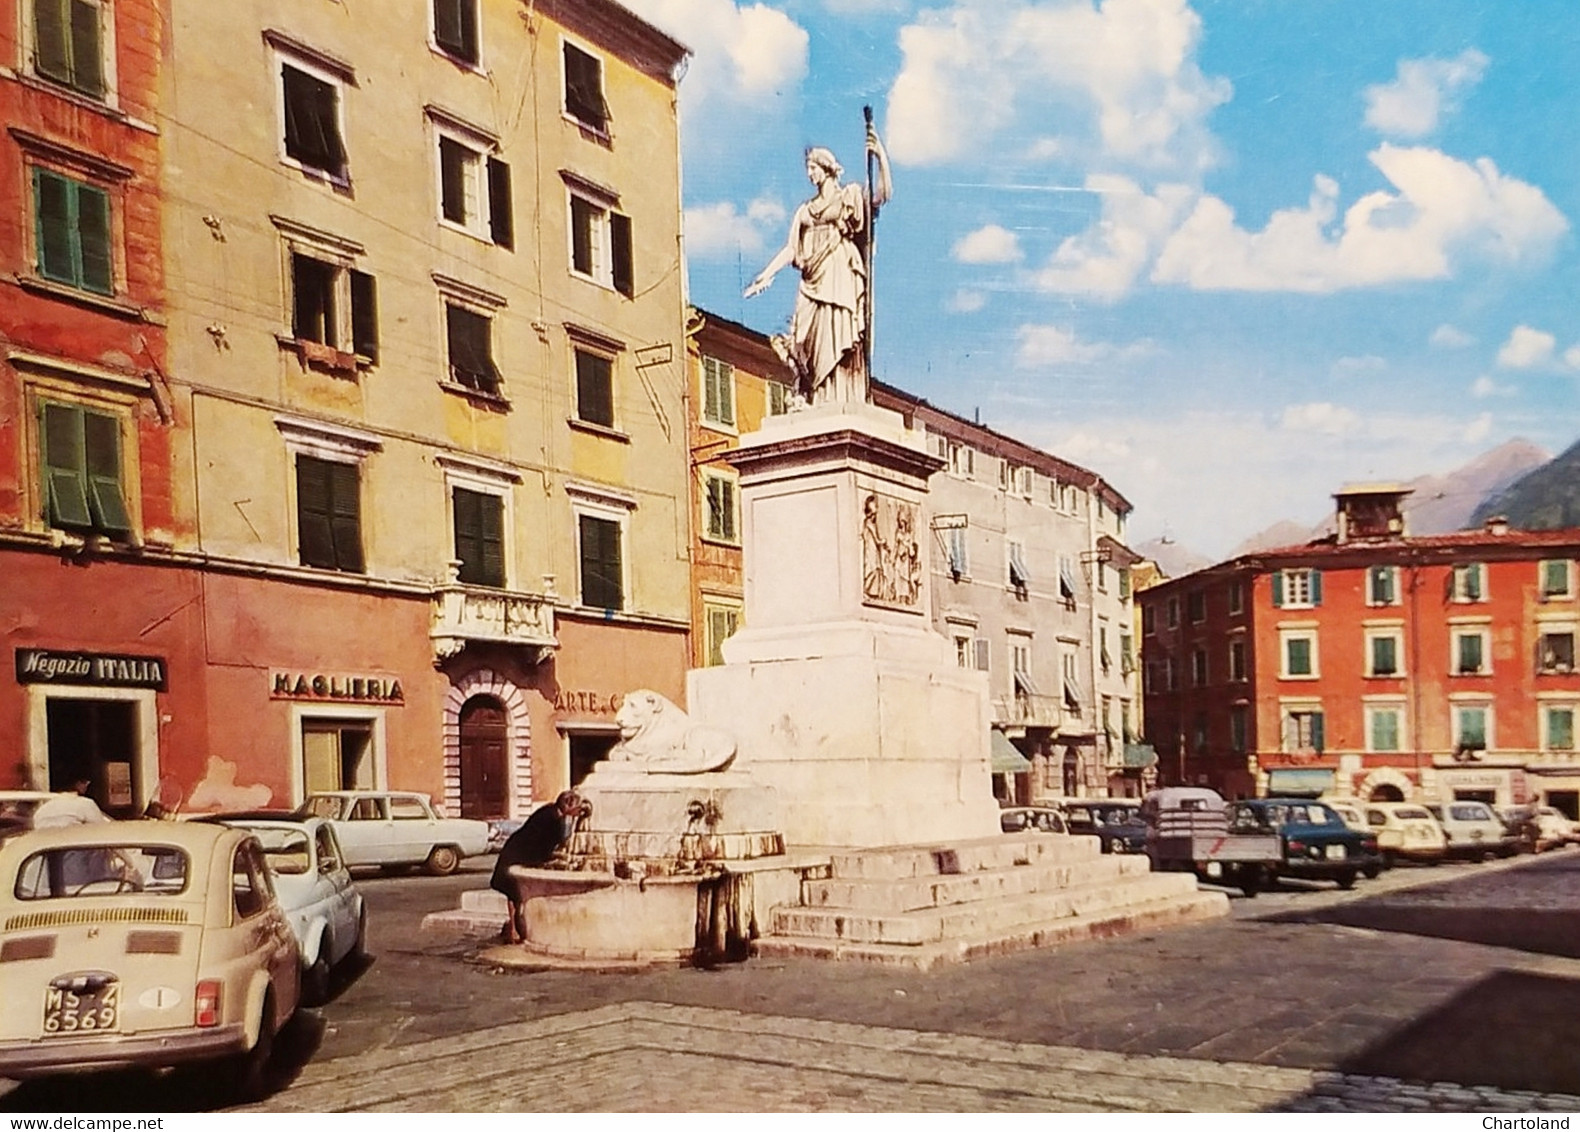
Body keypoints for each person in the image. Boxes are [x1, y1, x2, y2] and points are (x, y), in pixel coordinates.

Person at [744, 122, 892, 405]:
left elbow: (881, 195)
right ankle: (816, 395)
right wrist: (765, 275)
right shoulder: (805, 211)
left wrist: (880, 157)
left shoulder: (849, 196)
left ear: (826, 168)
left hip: (839, 271)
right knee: (804, 338)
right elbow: (790, 249)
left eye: (813, 168)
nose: (810, 174)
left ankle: (841, 395)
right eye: (808, 170)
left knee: (840, 333)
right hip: (812, 280)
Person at [490, 791, 584, 943]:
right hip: (517, 852)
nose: (578, 812)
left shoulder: (553, 813)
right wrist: (552, 859)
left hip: (521, 850)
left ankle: (515, 928)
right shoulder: (550, 818)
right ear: (567, 806)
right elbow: (545, 844)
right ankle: (514, 929)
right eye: (577, 809)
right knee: (513, 891)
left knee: (516, 893)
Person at [32, 776, 110, 830]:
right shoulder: (86, 804)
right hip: (78, 851)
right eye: (85, 782)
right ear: (77, 784)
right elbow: (101, 830)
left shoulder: (42, 810)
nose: (86, 786)